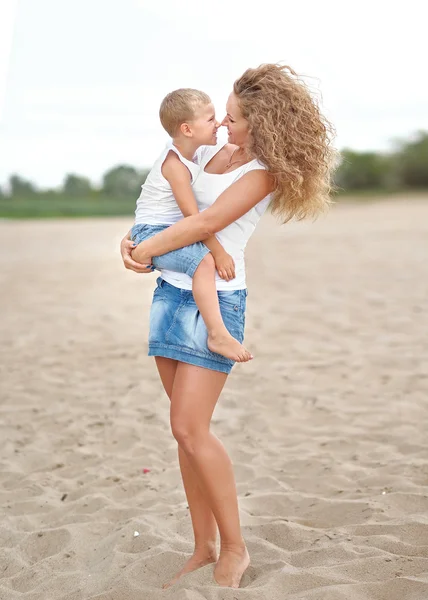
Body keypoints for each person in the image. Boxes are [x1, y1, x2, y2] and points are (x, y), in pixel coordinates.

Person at [120, 64, 335, 589]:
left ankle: (234, 549)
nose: (224, 126)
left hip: (217, 301)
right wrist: (132, 241)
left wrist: (147, 248)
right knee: (183, 433)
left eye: (234, 118)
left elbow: (207, 224)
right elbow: (172, 205)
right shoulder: (204, 155)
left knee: (192, 428)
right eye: (223, 115)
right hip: (171, 292)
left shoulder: (263, 171)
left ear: (262, 124)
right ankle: (203, 546)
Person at [129, 88, 252, 362]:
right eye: (210, 119)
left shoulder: (195, 153)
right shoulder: (175, 165)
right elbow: (193, 217)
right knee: (205, 262)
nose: (218, 123)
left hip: (158, 228)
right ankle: (217, 333)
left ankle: (216, 332)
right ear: (187, 129)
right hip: (153, 231)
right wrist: (219, 253)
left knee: (202, 260)